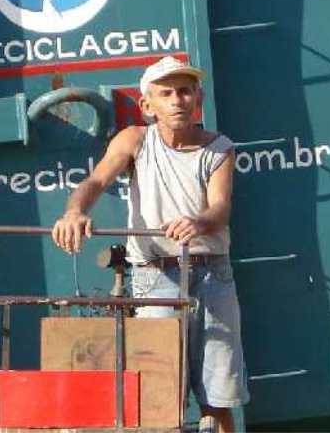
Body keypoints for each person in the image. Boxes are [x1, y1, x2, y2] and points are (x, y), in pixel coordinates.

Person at [51, 56, 246, 433]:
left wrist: (199, 222)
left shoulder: (219, 148)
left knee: (218, 397)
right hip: (154, 279)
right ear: (147, 105)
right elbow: (94, 182)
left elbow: (220, 209)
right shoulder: (134, 140)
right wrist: (74, 212)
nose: (178, 101)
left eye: (186, 92)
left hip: (212, 277)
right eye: (167, 93)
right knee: (157, 395)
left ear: (198, 99)